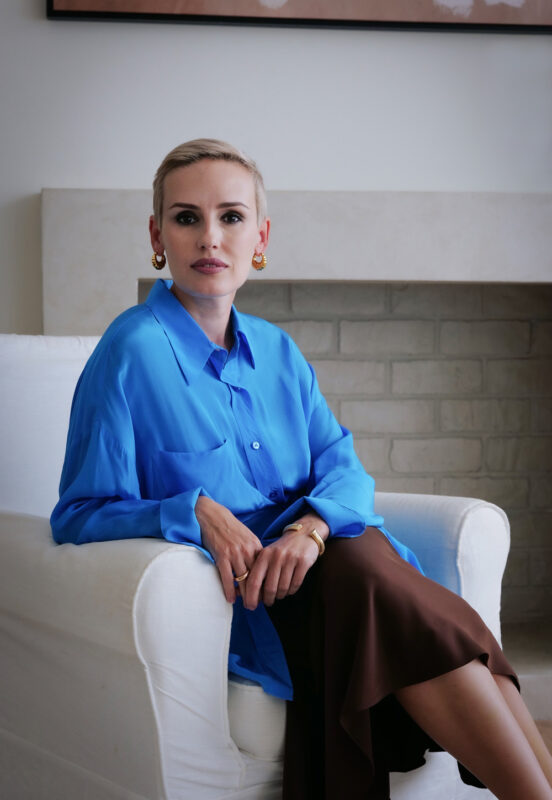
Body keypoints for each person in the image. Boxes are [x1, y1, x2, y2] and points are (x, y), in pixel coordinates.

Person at [51, 138, 552, 800]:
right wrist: (193, 509)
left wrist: (312, 529)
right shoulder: (130, 352)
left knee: (386, 580)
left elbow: (343, 467)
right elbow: (77, 513)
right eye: (186, 217)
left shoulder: (279, 351)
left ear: (259, 235)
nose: (211, 237)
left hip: (335, 559)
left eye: (231, 217)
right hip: (265, 602)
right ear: (157, 234)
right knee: (390, 588)